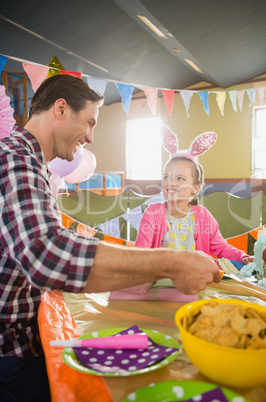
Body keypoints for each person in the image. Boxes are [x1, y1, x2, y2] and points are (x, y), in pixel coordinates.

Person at [0, 75, 221, 401]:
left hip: (28, 337)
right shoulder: (16, 159)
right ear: (61, 109)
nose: (90, 136)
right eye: (89, 122)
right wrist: (172, 262)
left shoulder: (36, 165)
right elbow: (46, 254)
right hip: (12, 348)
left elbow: (51, 238)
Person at [136, 124, 254, 266]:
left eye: (180, 179)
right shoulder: (153, 213)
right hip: (161, 280)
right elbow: (141, 253)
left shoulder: (203, 216)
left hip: (195, 281)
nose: (171, 183)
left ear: (195, 188)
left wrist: (242, 257)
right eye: (167, 176)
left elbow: (221, 248)